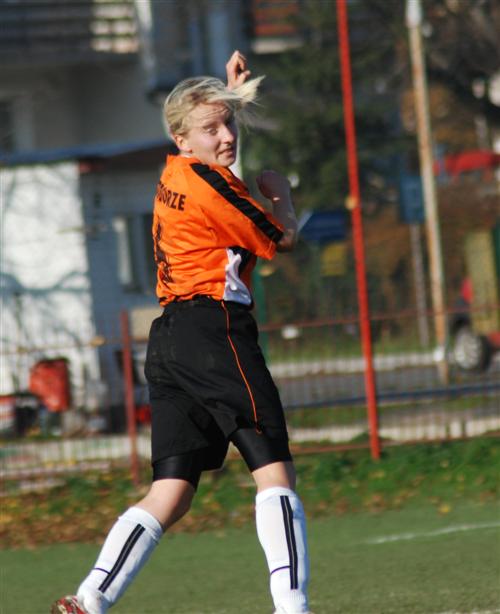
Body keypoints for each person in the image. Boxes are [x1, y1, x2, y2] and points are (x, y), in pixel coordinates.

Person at [52, 50, 310, 614]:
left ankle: (89, 598)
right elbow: (280, 237)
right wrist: (282, 197)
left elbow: (225, 192)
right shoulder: (207, 184)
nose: (227, 136)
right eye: (211, 129)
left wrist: (228, 92)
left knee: (171, 490)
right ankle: (293, 608)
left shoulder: (175, 174)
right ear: (180, 137)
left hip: (170, 338)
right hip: (214, 330)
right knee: (274, 471)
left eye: (229, 123)